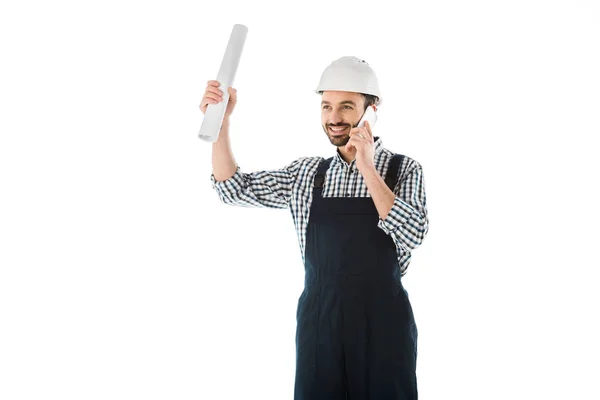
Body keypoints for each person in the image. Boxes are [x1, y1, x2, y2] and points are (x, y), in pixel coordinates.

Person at [201, 56, 429, 399]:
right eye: (326, 107)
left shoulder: (403, 170)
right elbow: (232, 188)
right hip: (320, 326)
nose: (334, 118)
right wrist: (220, 124)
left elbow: (413, 234)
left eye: (347, 107)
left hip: (384, 329)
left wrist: (367, 167)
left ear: (372, 109)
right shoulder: (307, 175)